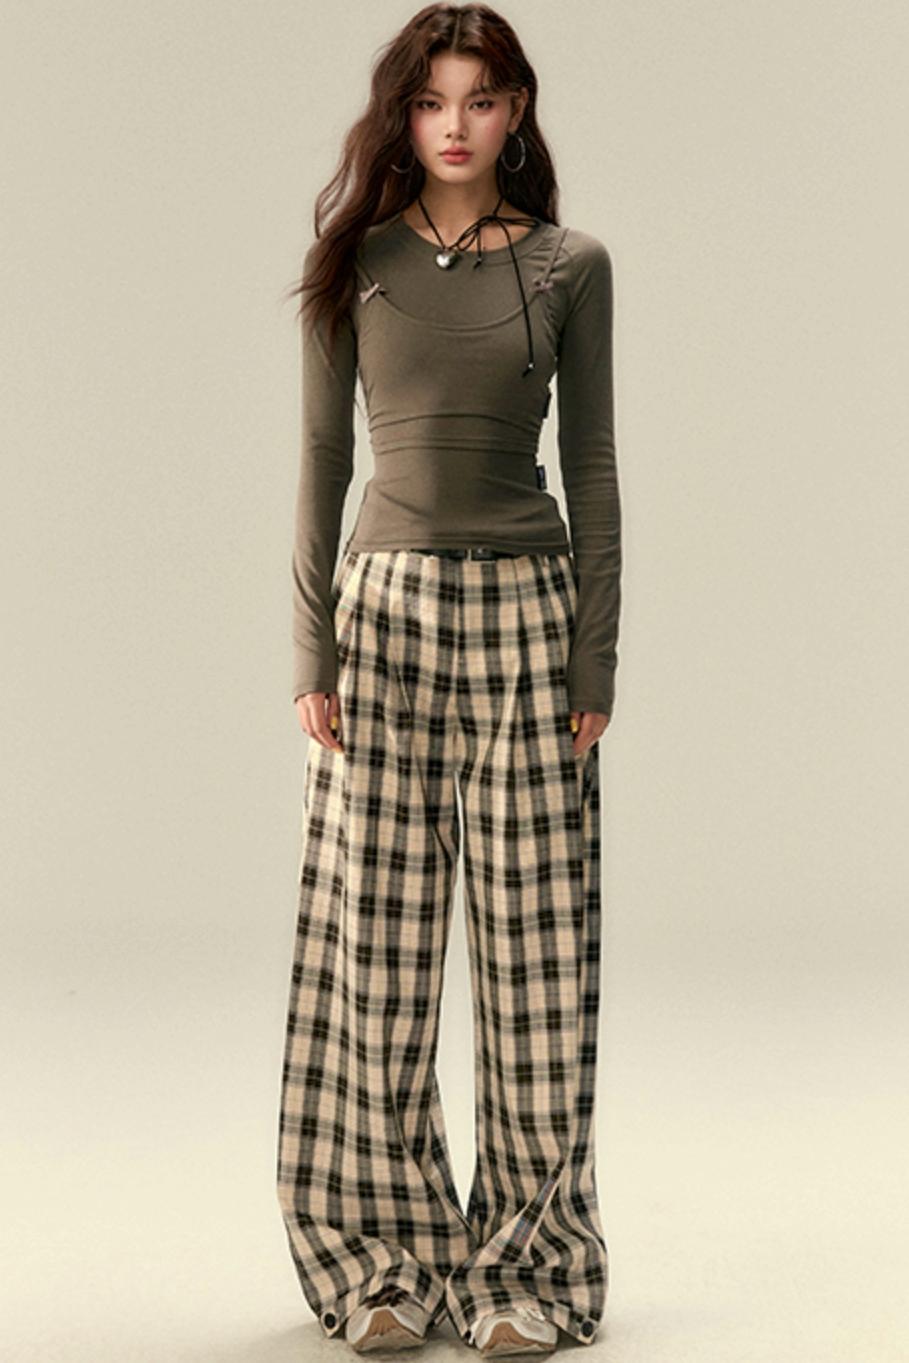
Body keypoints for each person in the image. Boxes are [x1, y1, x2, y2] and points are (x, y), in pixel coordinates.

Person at [276, 5, 621, 1357]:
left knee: (537, 951)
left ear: (515, 110)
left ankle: (527, 1267)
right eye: (432, 101)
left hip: (528, 614)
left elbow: (590, 465)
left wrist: (595, 652)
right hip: (385, 618)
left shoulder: (570, 265)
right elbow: (323, 464)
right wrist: (310, 649)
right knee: (376, 944)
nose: (456, 124)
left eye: (480, 99)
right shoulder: (354, 264)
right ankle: (382, 1258)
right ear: (403, 117)